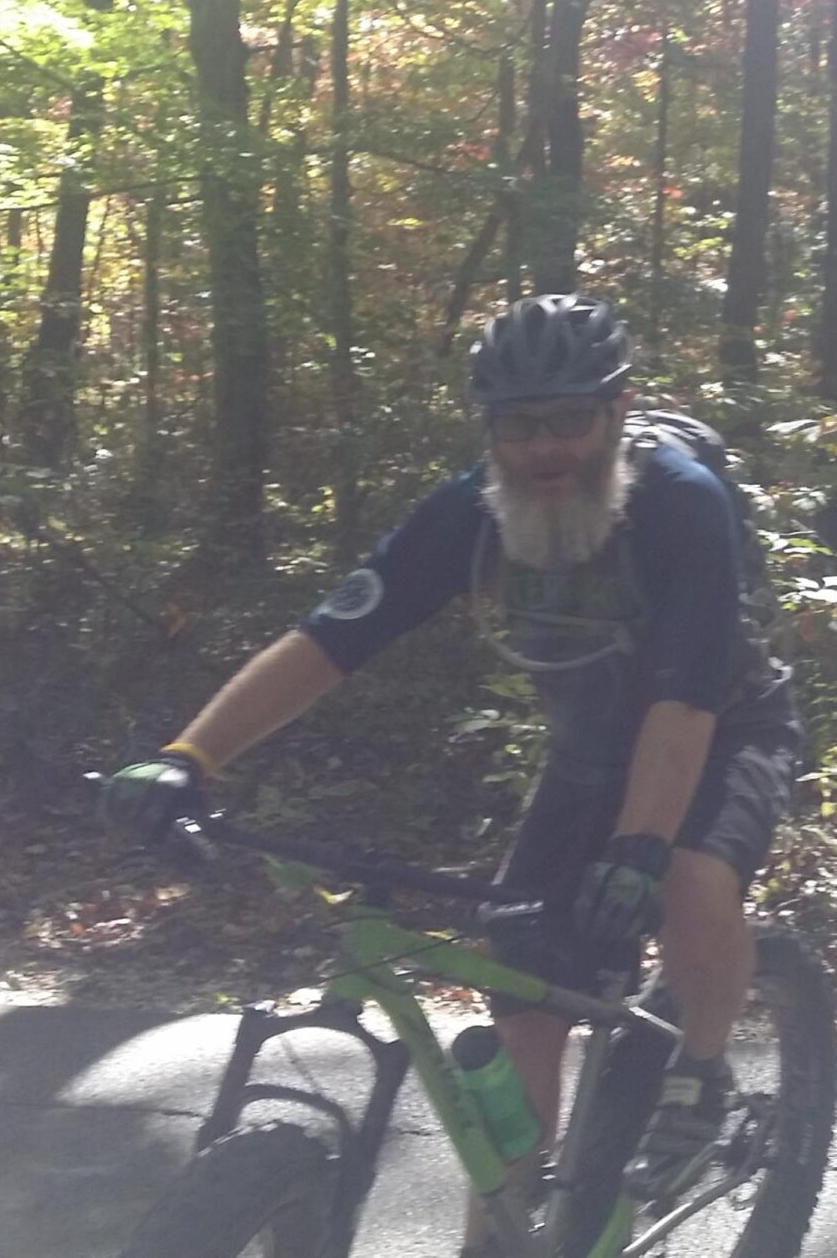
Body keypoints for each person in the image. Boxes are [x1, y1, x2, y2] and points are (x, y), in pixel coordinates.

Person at [99, 294, 801, 1244]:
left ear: (617, 411)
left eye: (569, 421)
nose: (545, 449)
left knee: (687, 878)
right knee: (523, 1008)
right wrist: (190, 757)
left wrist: (637, 850)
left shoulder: (682, 504)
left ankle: (699, 1074)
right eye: (520, 426)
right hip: (590, 757)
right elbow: (329, 641)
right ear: (490, 429)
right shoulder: (467, 515)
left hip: (725, 727)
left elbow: (685, 704)